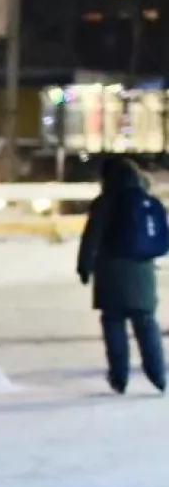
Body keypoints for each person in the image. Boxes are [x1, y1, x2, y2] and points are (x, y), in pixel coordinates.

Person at [77, 155, 167, 395]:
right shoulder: (147, 200)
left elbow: (91, 238)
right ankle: (158, 374)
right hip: (142, 270)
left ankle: (119, 377)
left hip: (111, 271)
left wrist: (84, 266)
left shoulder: (105, 203)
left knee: (114, 323)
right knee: (146, 323)